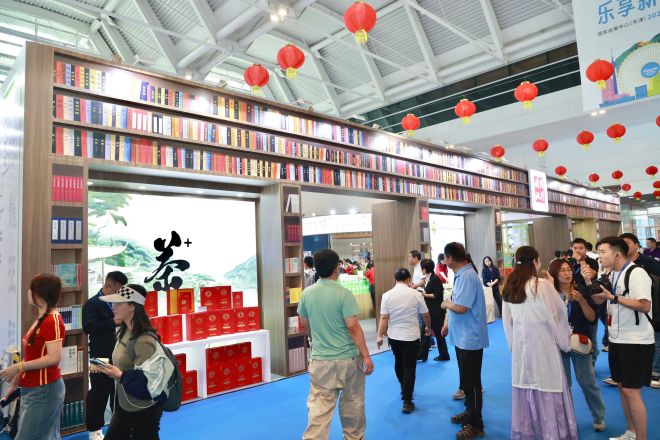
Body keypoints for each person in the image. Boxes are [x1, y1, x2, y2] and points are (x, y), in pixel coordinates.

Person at [298, 249, 374, 440]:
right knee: (353, 407)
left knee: (318, 410)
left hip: (320, 360)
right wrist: (366, 355)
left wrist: (316, 340)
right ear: (336, 268)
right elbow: (353, 327)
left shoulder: (307, 293)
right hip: (347, 359)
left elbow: (305, 324)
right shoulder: (344, 294)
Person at [502, 247, 577, 440]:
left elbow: (507, 321)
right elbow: (557, 315)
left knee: (525, 384)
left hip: (521, 347)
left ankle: (527, 432)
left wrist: (513, 345)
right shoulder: (541, 285)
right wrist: (564, 342)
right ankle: (552, 433)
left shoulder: (510, 285)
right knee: (547, 385)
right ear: (535, 261)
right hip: (543, 344)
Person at [590, 237, 654, 440]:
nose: (599, 256)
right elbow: (598, 300)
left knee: (632, 391)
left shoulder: (637, 273)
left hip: (636, 341)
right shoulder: (610, 273)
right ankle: (631, 432)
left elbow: (645, 305)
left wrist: (613, 297)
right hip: (617, 339)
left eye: (603, 252)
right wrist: (589, 285)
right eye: (598, 252)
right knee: (622, 388)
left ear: (617, 253)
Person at [95, 284, 172, 440]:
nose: (113, 306)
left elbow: (146, 382)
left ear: (132, 306)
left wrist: (119, 375)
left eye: (119, 302)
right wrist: (110, 369)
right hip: (126, 403)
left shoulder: (143, 340)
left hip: (142, 407)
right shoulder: (124, 331)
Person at [0, 274, 66, 440]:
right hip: (35, 388)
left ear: (38, 295)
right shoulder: (41, 318)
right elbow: (31, 356)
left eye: (31, 290)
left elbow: (54, 357)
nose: (28, 292)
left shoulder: (52, 320)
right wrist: (14, 383)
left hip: (44, 390)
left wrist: (18, 367)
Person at [548, 259, 606, 432]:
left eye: (569, 269)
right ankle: (568, 419)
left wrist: (581, 301)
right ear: (554, 274)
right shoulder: (549, 293)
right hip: (558, 343)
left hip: (580, 341)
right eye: (562, 270)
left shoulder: (580, 289)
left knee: (588, 382)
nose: (567, 273)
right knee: (564, 385)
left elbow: (592, 319)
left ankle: (599, 416)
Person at [440, 242, 488, 440]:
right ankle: (470, 413)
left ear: (451, 258)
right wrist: (448, 323)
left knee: (473, 383)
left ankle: (476, 424)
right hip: (462, 336)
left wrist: (445, 304)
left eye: (445, 258)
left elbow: (461, 307)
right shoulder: (462, 275)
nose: (444, 261)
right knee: (466, 382)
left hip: (470, 338)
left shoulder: (467, 276)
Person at [377, 268, 431, 413]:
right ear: (408, 280)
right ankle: (407, 401)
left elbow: (384, 318)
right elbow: (426, 314)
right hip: (411, 336)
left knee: (398, 362)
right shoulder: (416, 294)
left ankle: (404, 387)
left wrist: (379, 336)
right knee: (410, 367)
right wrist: (428, 327)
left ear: (395, 280)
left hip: (394, 336)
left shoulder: (387, 295)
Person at [83, 271, 127, 440]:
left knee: (118, 390)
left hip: (120, 353)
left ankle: (118, 425)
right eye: (117, 290)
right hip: (99, 354)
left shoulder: (121, 303)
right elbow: (88, 327)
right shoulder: (92, 304)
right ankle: (94, 429)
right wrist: (112, 322)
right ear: (108, 286)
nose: (119, 294)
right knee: (99, 391)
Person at [571, 238, 604, 355]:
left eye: (581, 248)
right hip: (573, 301)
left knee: (591, 332)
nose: (577, 251)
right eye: (575, 248)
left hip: (589, 300)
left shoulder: (592, 262)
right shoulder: (570, 262)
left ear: (586, 249)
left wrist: (580, 260)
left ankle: (593, 358)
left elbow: (589, 275)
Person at [416, 259, 450, 362]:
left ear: (425, 269)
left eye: (422, 268)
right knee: (425, 333)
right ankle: (422, 355)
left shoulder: (435, 279)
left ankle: (444, 355)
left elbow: (437, 295)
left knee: (438, 334)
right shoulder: (428, 278)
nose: (421, 270)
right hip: (430, 311)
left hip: (436, 312)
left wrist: (425, 294)